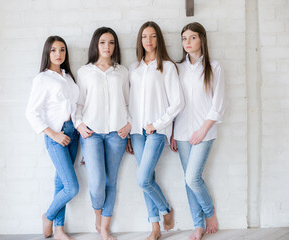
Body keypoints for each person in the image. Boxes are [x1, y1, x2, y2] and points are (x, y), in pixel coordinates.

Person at [126, 21, 184, 240]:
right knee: (147, 177)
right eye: (144, 37)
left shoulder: (167, 67)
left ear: (158, 39)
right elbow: (129, 102)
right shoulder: (134, 68)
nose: (148, 41)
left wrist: (157, 124)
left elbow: (177, 103)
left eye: (152, 36)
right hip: (137, 132)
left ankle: (166, 210)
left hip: (157, 131)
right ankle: (155, 228)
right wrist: (131, 130)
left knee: (143, 179)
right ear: (140, 40)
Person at [170, 22, 225, 240]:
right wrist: (173, 132)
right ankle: (198, 225)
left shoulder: (214, 66)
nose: (188, 42)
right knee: (187, 179)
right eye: (184, 38)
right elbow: (175, 103)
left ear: (201, 39)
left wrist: (202, 131)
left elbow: (218, 105)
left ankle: (209, 214)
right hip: (182, 133)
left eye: (192, 37)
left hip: (205, 132)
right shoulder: (177, 68)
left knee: (193, 178)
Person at [75, 27, 131, 240]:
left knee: (111, 181)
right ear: (95, 45)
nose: (107, 47)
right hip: (91, 134)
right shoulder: (84, 72)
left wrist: (130, 123)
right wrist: (79, 124)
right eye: (102, 42)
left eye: (111, 43)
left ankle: (104, 228)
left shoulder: (122, 71)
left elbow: (128, 102)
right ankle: (98, 216)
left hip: (117, 133)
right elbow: (78, 104)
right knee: (97, 181)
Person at [26, 36, 79, 240]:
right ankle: (48, 216)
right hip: (56, 134)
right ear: (47, 53)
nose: (59, 54)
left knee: (61, 183)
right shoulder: (42, 79)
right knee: (72, 187)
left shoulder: (68, 77)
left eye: (62, 50)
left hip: (73, 133)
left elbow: (75, 107)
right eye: (54, 50)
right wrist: (54, 135)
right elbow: (32, 113)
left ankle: (59, 229)